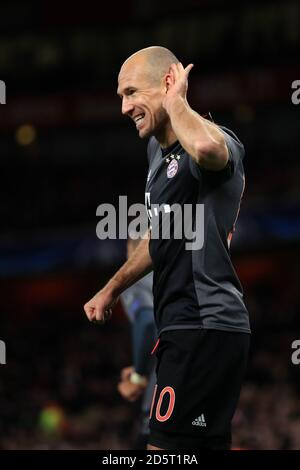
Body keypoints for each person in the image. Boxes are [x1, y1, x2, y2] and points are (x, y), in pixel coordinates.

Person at [84, 46, 250, 450]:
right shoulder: (156, 153)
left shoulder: (214, 138)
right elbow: (162, 234)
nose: (124, 107)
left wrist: (178, 103)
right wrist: (112, 288)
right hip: (185, 325)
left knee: (162, 451)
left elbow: (209, 152)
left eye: (131, 93)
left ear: (168, 83)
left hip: (203, 322)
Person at [118, 235, 156, 449]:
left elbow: (148, 321)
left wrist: (138, 375)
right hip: (206, 361)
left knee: (152, 440)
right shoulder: (178, 268)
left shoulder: (134, 276)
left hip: (170, 369)